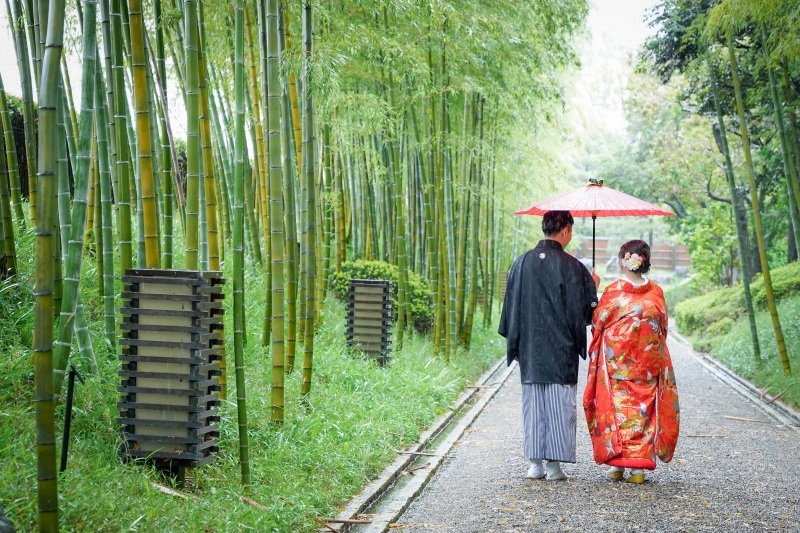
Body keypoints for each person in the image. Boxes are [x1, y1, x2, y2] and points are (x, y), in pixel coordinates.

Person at [499, 210, 600, 481]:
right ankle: (554, 466)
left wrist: (515, 345)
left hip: (530, 347)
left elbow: (511, 307)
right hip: (561, 349)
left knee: (533, 405)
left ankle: (535, 464)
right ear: (565, 229)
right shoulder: (574, 266)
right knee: (560, 405)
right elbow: (588, 311)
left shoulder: (521, 263)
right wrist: (593, 287)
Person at [582, 240, 680, 484]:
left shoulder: (613, 291)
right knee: (644, 411)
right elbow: (663, 328)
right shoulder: (656, 292)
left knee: (617, 410)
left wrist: (593, 293)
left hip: (618, 365)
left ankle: (617, 465)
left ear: (622, 261)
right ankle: (638, 470)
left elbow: (597, 323)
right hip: (647, 364)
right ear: (644, 263)